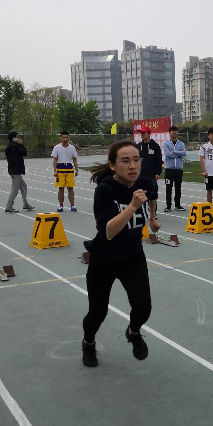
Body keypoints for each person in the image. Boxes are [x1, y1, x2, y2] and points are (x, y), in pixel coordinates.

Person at [81, 141, 160, 367]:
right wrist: (132, 206)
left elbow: (152, 196)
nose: (132, 166)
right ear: (113, 166)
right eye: (125, 161)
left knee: (143, 307)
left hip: (132, 257)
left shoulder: (145, 183)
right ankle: (88, 343)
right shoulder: (105, 190)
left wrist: (152, 218)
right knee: (98, 312)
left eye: (136, 160)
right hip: (104, 259)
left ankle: (133, 332)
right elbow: (107, 232)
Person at [4, 130, 35, 213]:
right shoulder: (14, 147)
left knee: (24, 186)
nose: (19, 138)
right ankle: (9, 206)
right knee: (14, 189)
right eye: (17, 137)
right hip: (16, 171)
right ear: (14, 138)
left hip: (14, 170)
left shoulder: (10, 146)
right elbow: (24, 153)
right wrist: (21, 144)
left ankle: (25, 204)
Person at [161, 125, 186, 212]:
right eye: (173, 131)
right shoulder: (166, 143)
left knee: (178, 187)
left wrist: (174, 152)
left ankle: (178, 205)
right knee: (169, 187)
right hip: (169, 169)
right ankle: (168, 206)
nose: (174, 132)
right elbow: (167, 154)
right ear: (169, 133)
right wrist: (178, 154)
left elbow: (184, 153)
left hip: (178, 169)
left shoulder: (181, 143)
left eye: (176, 131)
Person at [52, 131, 79, 212]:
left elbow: (75, 159)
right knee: (61, 188)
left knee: (70, 188)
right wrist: (54, 170)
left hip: (69, 169)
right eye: (63, 137)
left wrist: (76, 170)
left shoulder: (72, 148)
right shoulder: (57, 147)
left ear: (69, 138)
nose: (65, 139)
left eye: (66, 137)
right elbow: (55, 160)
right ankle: (61, 205)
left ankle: (72, 205)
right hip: (60, 169)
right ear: (61, 138)